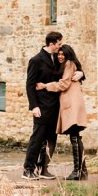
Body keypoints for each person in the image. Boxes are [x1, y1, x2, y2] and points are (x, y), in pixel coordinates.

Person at [36, 43, 88, 180]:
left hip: (72, 104)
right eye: (58, 54)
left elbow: (64, 84)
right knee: (76, 137)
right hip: (72, 103)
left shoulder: (69, 64)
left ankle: (77, 171)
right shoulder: (65, 65)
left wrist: (45, 86)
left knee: (75, 137)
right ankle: (81, 172)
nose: (60, 56)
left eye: (62, 54)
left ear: (68, 55)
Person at [22, 31, 63, 180]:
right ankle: (27, 169)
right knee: (37, 139)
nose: (60, 47)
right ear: (51, 44)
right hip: (41, 106)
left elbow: (72, 65)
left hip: (55, 106)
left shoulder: (57, 59)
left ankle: (43, 168)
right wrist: (34, 106)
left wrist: (81, 74)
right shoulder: (36, 60)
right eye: (58, 44)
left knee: (51, 139)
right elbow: (30, 85)